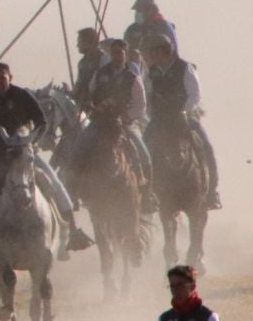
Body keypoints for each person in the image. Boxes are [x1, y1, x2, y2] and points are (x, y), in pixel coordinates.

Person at [0, 62, 92, 261]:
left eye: (2, 78)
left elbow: (42, 121)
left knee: (55, 184)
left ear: (10, 77)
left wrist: (32, 141)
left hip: (26, 154)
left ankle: (73, 232)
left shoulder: (22, 96)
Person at [140, 33, 221, 209]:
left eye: (154, 53)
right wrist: (150, 111)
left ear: (165, 52)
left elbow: (194, 95)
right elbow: (147, 95)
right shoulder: (151, 72)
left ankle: (212, 192)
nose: (151, 57)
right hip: (160, 120)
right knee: (144, 149)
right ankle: (147, 194)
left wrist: (183, 110)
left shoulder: (184, 68)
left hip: (183, 117)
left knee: (206, 148)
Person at [84, 36, 155, 206]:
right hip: (100, 123)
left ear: (126, 54)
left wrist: (127, 117)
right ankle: (78, 188)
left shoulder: (133, 77)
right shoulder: (99, 74)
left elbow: (141, 105)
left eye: (120, 53)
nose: (117, 56)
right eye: (114, 52)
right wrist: (92, 105)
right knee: (80, 146)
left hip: (125, 124)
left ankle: (147, 195)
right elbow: (90, 94)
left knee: (143, 154)